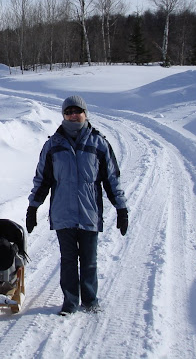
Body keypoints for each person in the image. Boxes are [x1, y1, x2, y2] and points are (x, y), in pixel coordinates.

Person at [26, 95, 129, 315]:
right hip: (63, 213)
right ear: (63, 115)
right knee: (69, 260)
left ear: (85, 113)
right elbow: (42, 179)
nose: (73, 115)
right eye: (68, 112)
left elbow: (112, 179)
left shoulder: (99, 143)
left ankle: (90, 300)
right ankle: (70, 302)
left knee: (89, 261)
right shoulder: (53, 145)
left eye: (77, 111)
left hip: (89, 212)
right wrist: (33, 207)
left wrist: (121, 208)